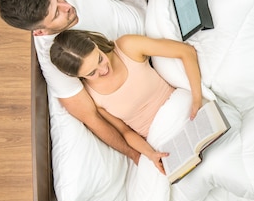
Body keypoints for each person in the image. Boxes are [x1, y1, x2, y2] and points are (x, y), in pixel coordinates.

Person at [0, 0, 187, 164]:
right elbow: (91, 117)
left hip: (153, 20)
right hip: (149, 69)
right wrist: (136, 156)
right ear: (39, 32)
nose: (67, 6)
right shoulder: (55, 58)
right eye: (56, 14)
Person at [50, 30, 203, 174]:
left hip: (185, 110)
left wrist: (197, 99)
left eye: (100, 59)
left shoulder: (126, 47)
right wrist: (150, 154)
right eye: (92, 73)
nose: (103, 70)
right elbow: (125, 132)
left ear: (94, 44)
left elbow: (186, 51)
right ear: (77, 76)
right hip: (160, 137)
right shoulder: (93, 97)